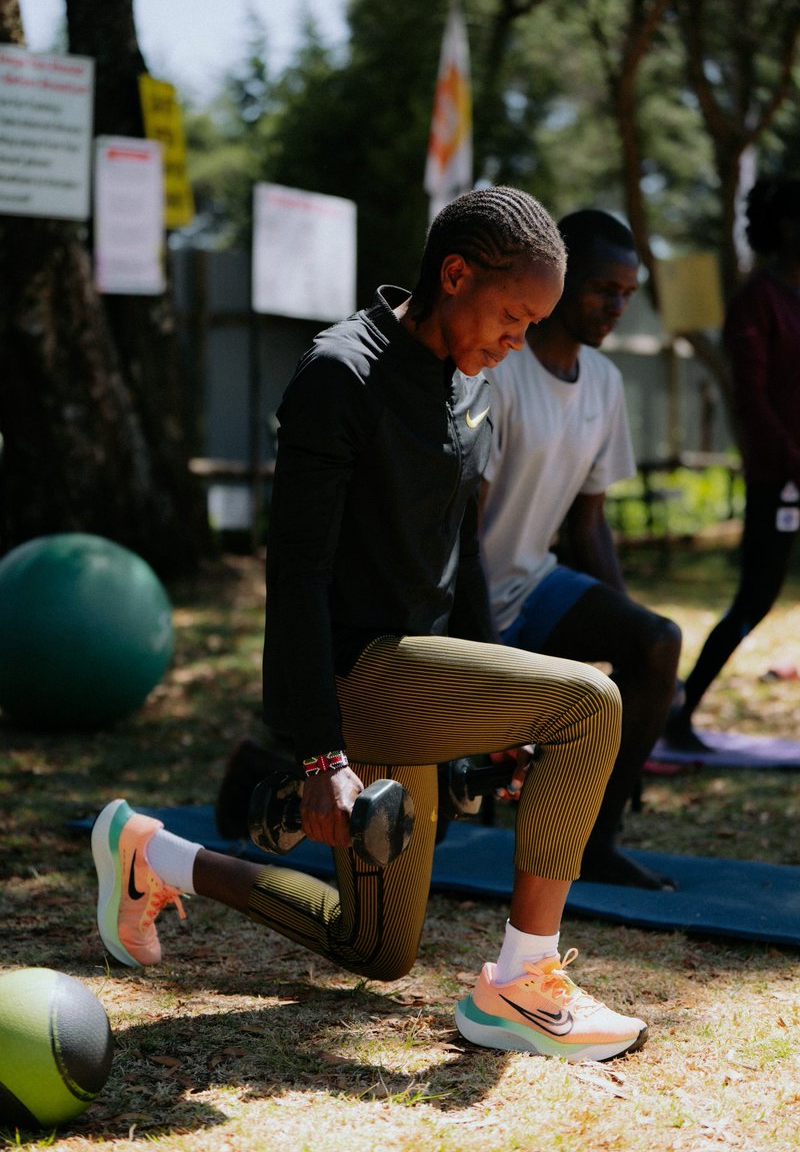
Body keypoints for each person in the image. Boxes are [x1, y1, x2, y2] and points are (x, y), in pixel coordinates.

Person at [91, 186, 647, 1063]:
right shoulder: (339, 377)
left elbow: (458, 554)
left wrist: (487, 717)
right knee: (591, 702)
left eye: (534, 321)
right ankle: (522, 985)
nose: (519, 339)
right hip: (362, 674)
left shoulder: (477, 385)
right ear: (455, 274)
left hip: (423, 676)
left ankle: (155, 855)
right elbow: (297, 577)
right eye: (512, 315)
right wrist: (318, 753)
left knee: (375, 949)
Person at [478, 209, 682, 890]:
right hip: (458, 600)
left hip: (533, 585)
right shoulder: (499, 369)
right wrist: (481, 650)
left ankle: (596, 842)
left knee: (657, 642)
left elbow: (588, 525)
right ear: (559, 281)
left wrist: (634, 636)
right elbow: (454, 525)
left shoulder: (605, 382)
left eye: (627, 291)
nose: (617, 305)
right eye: (602, 287)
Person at [665, 178, 800, 751]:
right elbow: (751, 398)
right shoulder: (757, 299)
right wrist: (792, 466)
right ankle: (679, 711)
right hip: (781, 482)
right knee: (756, 597)